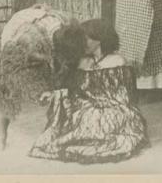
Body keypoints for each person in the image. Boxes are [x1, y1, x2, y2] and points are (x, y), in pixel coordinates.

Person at [29, 19, 149, 164]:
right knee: (82, 114)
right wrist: (54, 94)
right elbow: (73, 90)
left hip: (114, 107)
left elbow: (126, 97)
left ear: (98, 39)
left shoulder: (118, 61)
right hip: (86, 106)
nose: (81, 42)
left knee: (103, 117)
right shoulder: (81, 61)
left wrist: (103, 105)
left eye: (85, 38)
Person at [0, 4, 87, 150]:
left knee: (64, 82)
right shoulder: (27, 39)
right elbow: (7, 67)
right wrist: (43, 61)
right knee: (9, 86)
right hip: (20, 38)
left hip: (46, 32)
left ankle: (62, 127)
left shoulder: (70, 31)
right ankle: (1, 131)